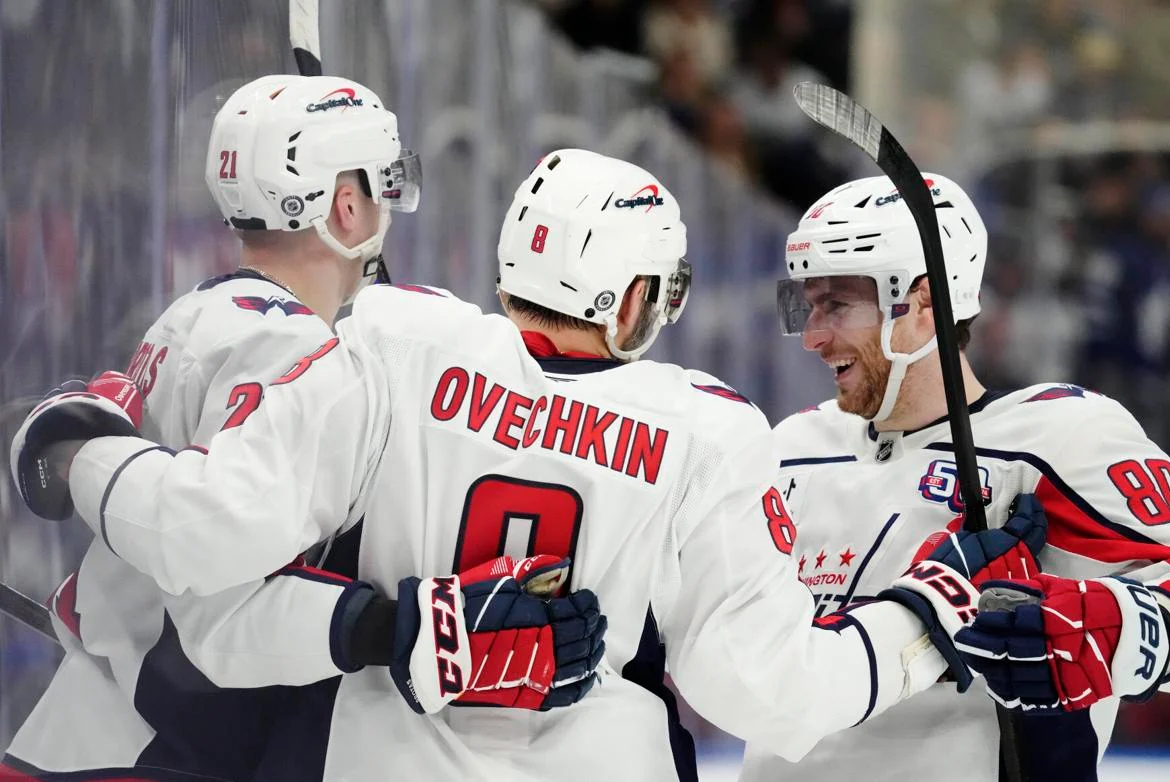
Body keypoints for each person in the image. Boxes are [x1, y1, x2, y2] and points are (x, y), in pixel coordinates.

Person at [8, 149, 1036, 781]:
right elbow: (777, 696)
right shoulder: (709, 424)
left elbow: (213, 562)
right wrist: (925, 611)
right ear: (636, 298)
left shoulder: (393, 342)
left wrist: (79, 449)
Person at [2, 74, 602, 781]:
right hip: (152, 755)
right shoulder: (304, 359)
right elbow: (214, 594)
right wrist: (413, 630)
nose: (388, 207)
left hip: (82, 737)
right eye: (382, 185)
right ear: (345, 207)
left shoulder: (196, 316)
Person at [743, 172, 1170, 782]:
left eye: (837, 305)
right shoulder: (790, 447)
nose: (813, 336)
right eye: (806, 303)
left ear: (926, 302)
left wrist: (1115, 623)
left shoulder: (1057, 440)